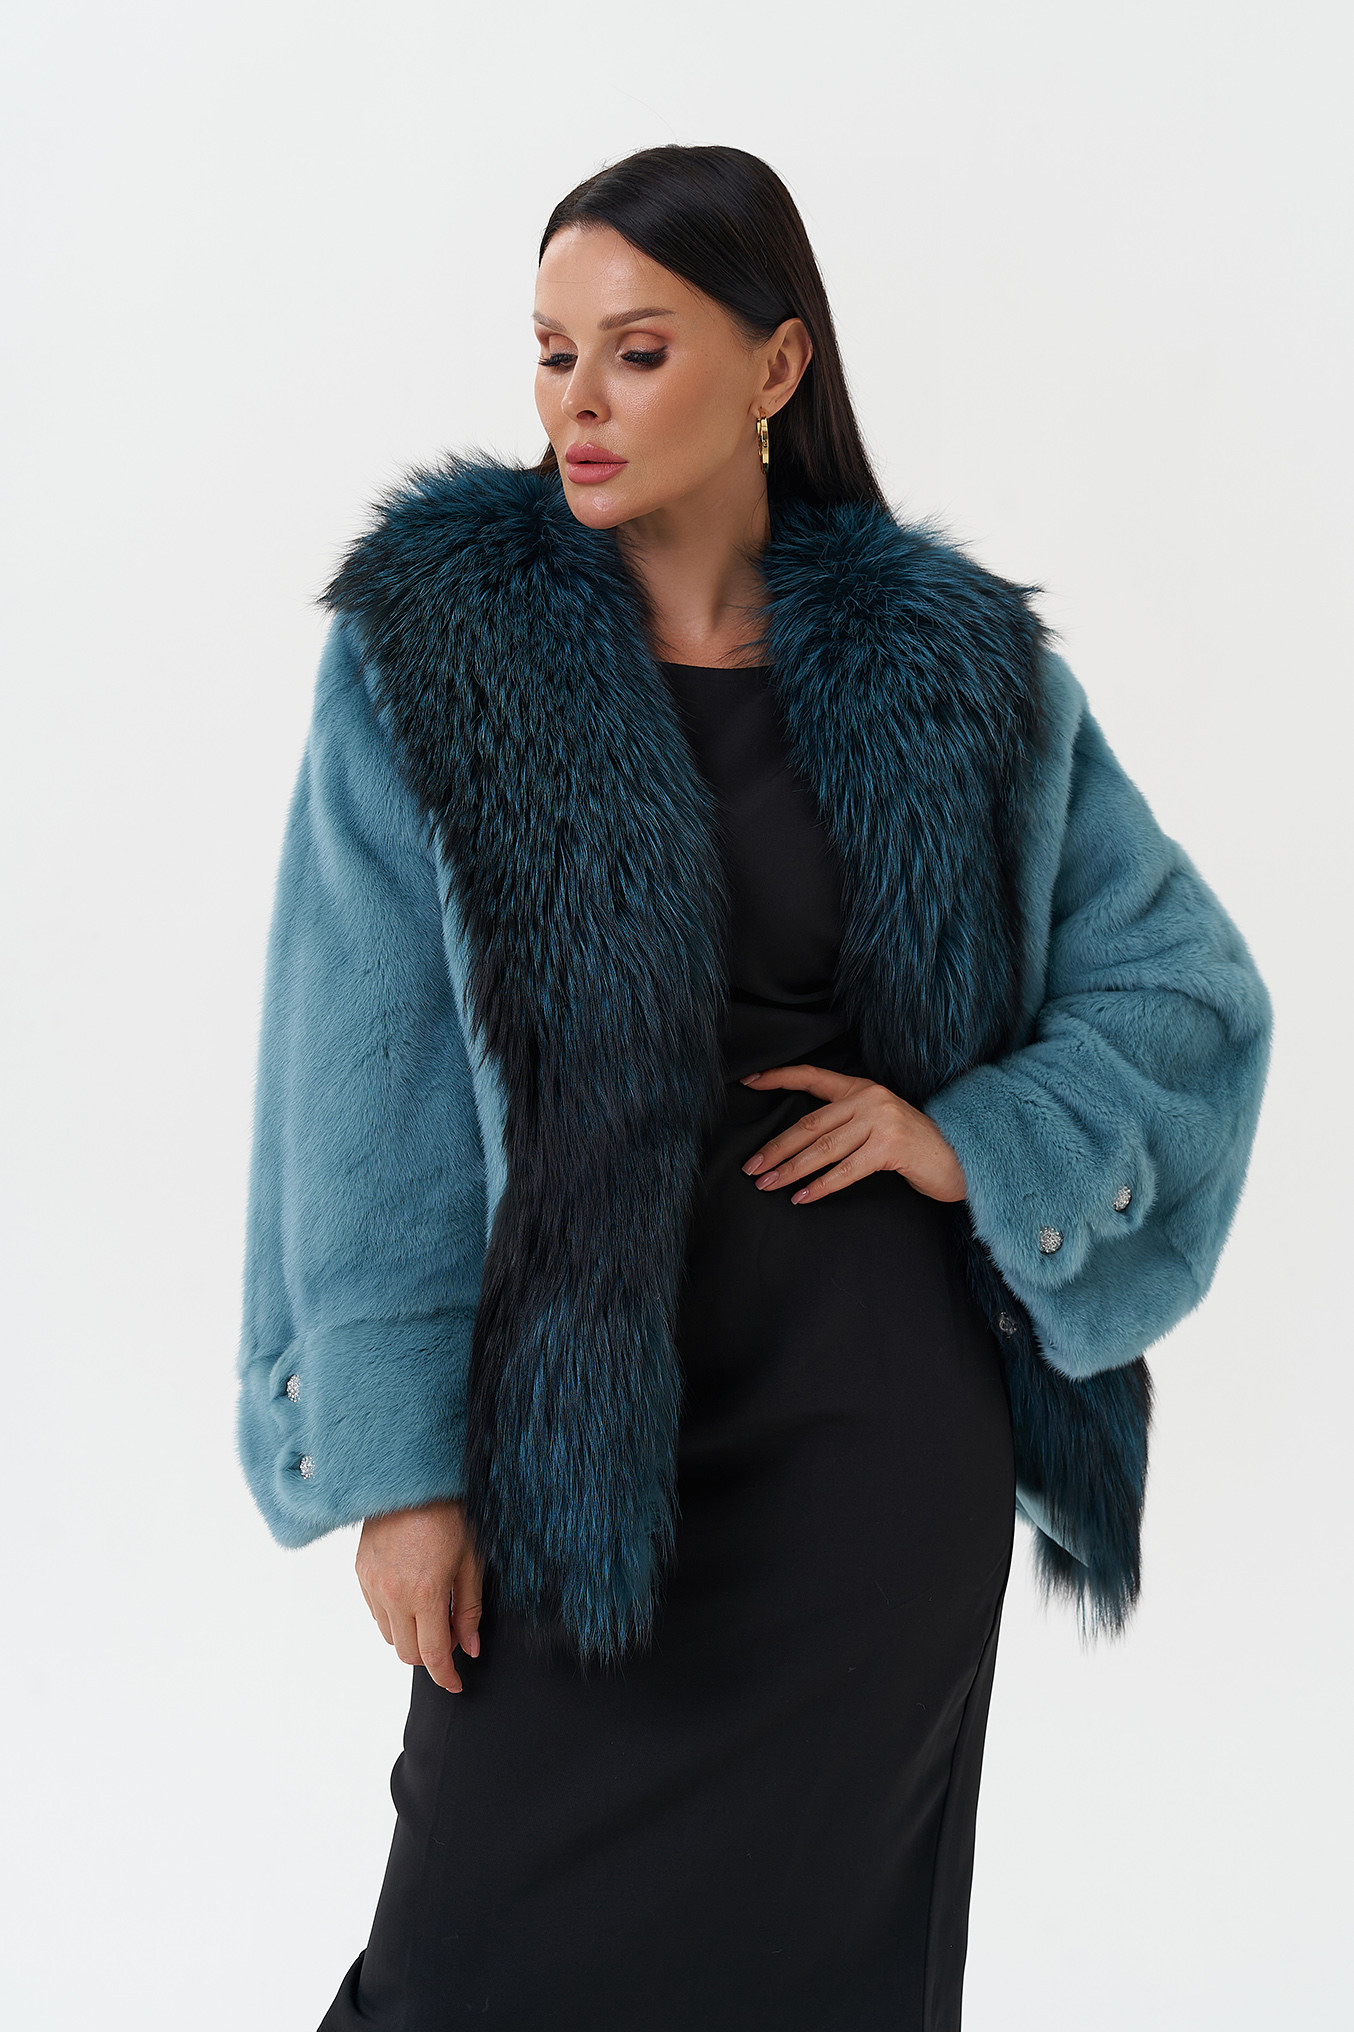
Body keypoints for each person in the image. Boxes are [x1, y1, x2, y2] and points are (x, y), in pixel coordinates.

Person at [236, 145, 1270, 2032]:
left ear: (776, 368)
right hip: (569, 1427)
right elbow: (360, 1079)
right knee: (464, 1964)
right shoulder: (435, 652)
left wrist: (973, 1141)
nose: (578, 400)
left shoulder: (957, 676)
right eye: (551, 351)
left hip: (870, 1436)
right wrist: (401, 1471)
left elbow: (1186, 992)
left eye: (636, 351)